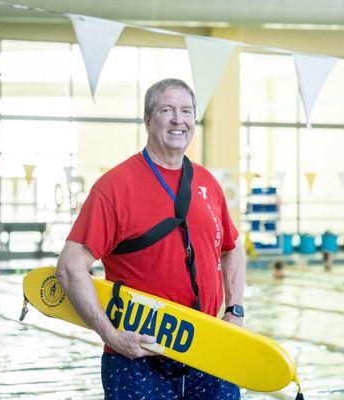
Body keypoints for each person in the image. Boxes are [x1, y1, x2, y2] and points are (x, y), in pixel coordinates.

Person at [55, 78, 245, 400]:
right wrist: (111, 335)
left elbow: (232, 248)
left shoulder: (207, 182)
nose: (178, 119)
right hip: (137, 357)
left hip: (208, 348)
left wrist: (235, 309)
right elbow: (70, 268)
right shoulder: (114, 187)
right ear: (148, 119)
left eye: (186, 111)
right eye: (167, 110)